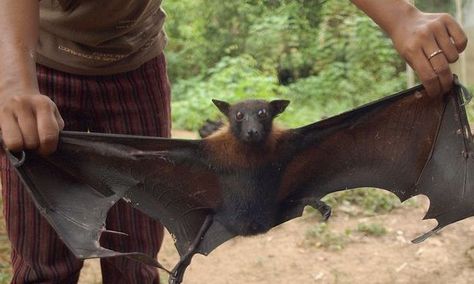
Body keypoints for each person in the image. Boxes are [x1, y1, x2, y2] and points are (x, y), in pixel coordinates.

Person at [0, 0, 468, 283]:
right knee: (42, 267)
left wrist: (400, 15)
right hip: (30, 60)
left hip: (133, 62)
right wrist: (13, 81)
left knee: (137, 266)